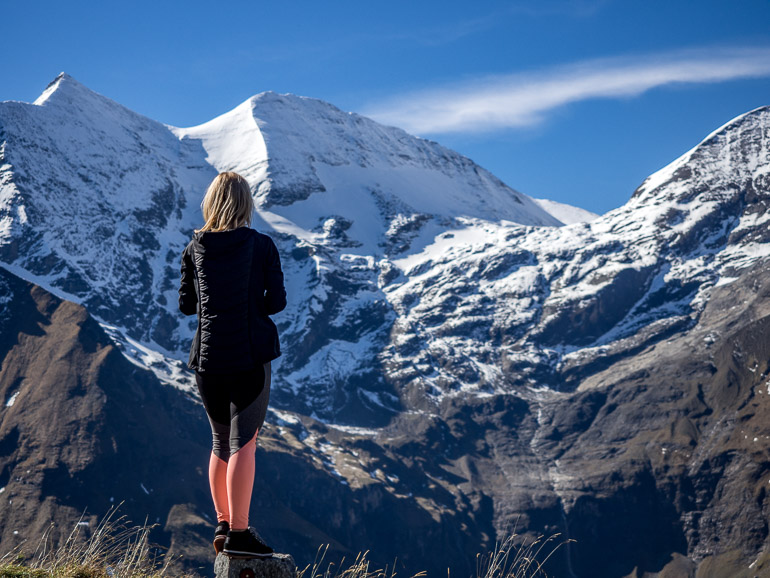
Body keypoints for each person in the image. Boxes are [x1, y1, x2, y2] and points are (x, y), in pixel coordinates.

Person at [178, 171, 287, 558]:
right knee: (245, 442)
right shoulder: (261, 245)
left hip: (207, 360)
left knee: (219, 442)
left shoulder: (194, 247)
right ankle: (240, 533)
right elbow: (276, 303)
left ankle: (223, 524)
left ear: (210, 201)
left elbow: (187, 305)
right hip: (249, 356)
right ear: (246, 204)